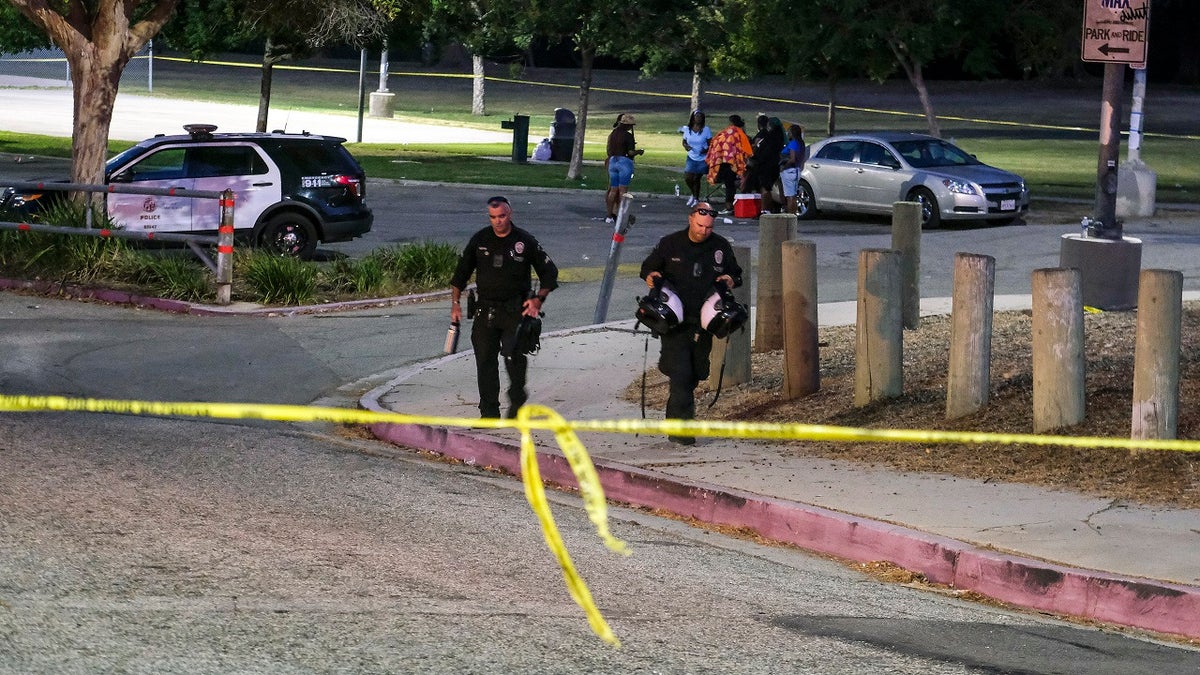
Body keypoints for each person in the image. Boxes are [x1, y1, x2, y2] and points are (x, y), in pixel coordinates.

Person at [640, 201, 743, 445]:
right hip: (675, 320)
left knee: (697, 372)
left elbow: (736, 273)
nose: (703, 231)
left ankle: (677, 411)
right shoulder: (670, 243)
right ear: (690, 219)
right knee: (681, 374)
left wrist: (730, 279)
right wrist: (651, 277)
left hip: (704, 320)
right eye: (699, 225)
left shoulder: (720, 246)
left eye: (708, 227)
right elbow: (648, 268)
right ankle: (681, 431)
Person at [449, 195, 559, 419]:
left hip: (515, 310)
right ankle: (489, 414)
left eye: (501, 216)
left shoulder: (524, 241)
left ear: (510, 214)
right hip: (485, 310)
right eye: (493, 217)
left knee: (512, 356)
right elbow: (460, 276)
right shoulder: (480, 240)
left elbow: (549, 273)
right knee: (485, 362)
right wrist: (455, 305)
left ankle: (517, 397)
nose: (498, 221)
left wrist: (538, 299)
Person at [704, 115, 753, 215]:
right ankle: (732, 205)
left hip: (726, 161)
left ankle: (729, 206)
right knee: (732, 185)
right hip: (737, 162)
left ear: (731, 122)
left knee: (729, 184)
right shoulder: (741, 133)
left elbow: (717, 143)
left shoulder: (728, 132)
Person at [605, 113, 644, 223]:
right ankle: (621, 216)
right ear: (627, 125)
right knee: (623, 191)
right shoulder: (628, 136)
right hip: (624, 162)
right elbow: (630, 152)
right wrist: (639, 152)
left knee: (613, 190)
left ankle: (609, 216)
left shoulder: (613, 134)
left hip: (613, 161)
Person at [743, 114, 786, 213]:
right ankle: (777, 207)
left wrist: (754, 158)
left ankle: (765, 209)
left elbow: (760, 151)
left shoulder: (767, 138)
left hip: (765, 167)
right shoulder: (778, 139)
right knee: (773, 188)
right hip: (774, 166)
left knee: (765, 188)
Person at [678, 110, 712, 208]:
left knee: (697, 177)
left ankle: (696, 198)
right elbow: (684, 141)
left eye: (700, 116)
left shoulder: (706, 130)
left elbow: (711, 143)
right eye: (697, 116)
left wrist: (706, 150)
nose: (698, 118)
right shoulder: (688, 129)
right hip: (691, 157)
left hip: (703, 158)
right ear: (693, 117)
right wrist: (686, 146)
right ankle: (694, 194)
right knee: (688, 177)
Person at [779, 124, 807, 215]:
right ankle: (793, 214)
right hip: (797, 170)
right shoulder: (801, 143)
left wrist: (784, 166)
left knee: (789, 196)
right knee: (793, 195)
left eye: (789, 132)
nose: (788, 134)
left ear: (792, 133)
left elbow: (792, 159)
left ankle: (790, 215)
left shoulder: (793, 143)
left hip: (789, 171)